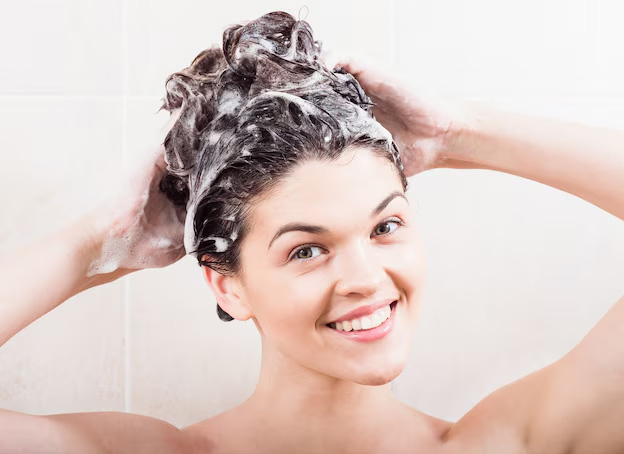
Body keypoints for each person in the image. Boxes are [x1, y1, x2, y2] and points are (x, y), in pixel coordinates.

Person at [1, 10, 623, 454]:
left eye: (386, 226)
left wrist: (456, 133)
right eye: (306, 249)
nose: (365, 279)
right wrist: (97, 245)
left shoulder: (512, 442)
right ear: (227, 287)